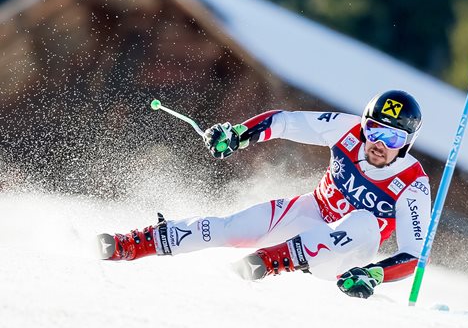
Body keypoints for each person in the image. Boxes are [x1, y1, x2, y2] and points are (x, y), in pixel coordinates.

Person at [97, 90, 431, 299]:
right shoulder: (345, 128)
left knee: (364, 221)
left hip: (344, 261)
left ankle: (268, 262)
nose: (377, 145)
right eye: (373, 130)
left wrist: (373, 274)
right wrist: (240, 133)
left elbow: (414, 257)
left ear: (407, 143)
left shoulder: (413, 183)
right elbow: (284, 122)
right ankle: (133, 244)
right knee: (231, 227)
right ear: (363, 124)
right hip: (311, 214)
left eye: (392, 139)